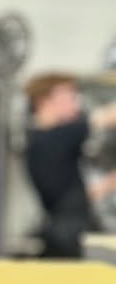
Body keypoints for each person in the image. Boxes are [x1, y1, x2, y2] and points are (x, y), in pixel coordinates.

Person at [22, 72, 116, 257]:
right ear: (43, 101)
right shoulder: (56, 137)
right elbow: (106, 117)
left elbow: (74, 196)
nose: (75, 103)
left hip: (65, 232)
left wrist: (110, 182)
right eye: (69, 96)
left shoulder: (37, 140)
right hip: (68, 238)